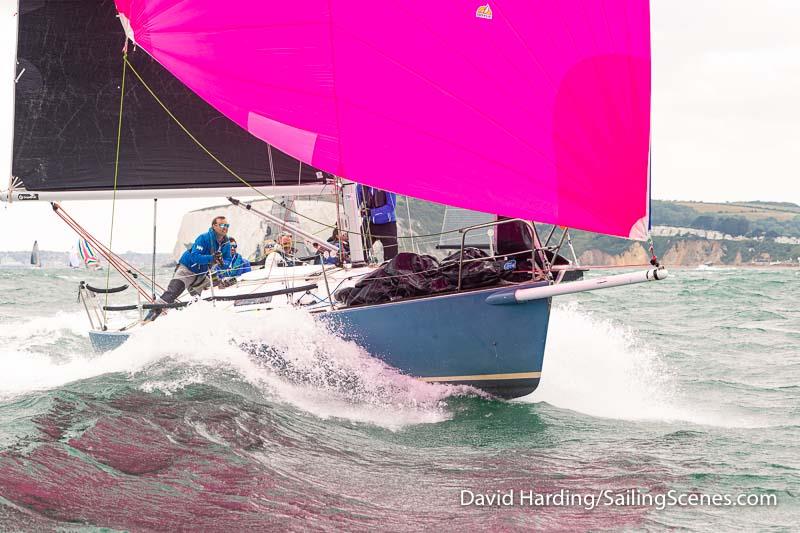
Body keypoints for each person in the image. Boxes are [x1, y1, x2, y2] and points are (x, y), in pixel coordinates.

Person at [144, 216, 232, 321]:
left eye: (227, 225)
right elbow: (194, 257)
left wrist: (222, 262)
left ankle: (199, 320)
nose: (225, 228)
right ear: (214, 226)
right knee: (172, 293)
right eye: (222, 225)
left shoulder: (226, 243)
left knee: (208, 293)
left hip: (202, 274)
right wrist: (212, 258)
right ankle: (147, 320)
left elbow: (228, 261)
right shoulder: (203, 238)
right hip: (187, 270)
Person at [357, 184, 398, 261]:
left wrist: (372, 212)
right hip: (369, 223)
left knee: (391, 258)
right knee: (358, 250)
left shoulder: (387, 183)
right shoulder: (361, 185)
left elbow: (391, 206)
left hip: (387, 224)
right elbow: (354, 202)